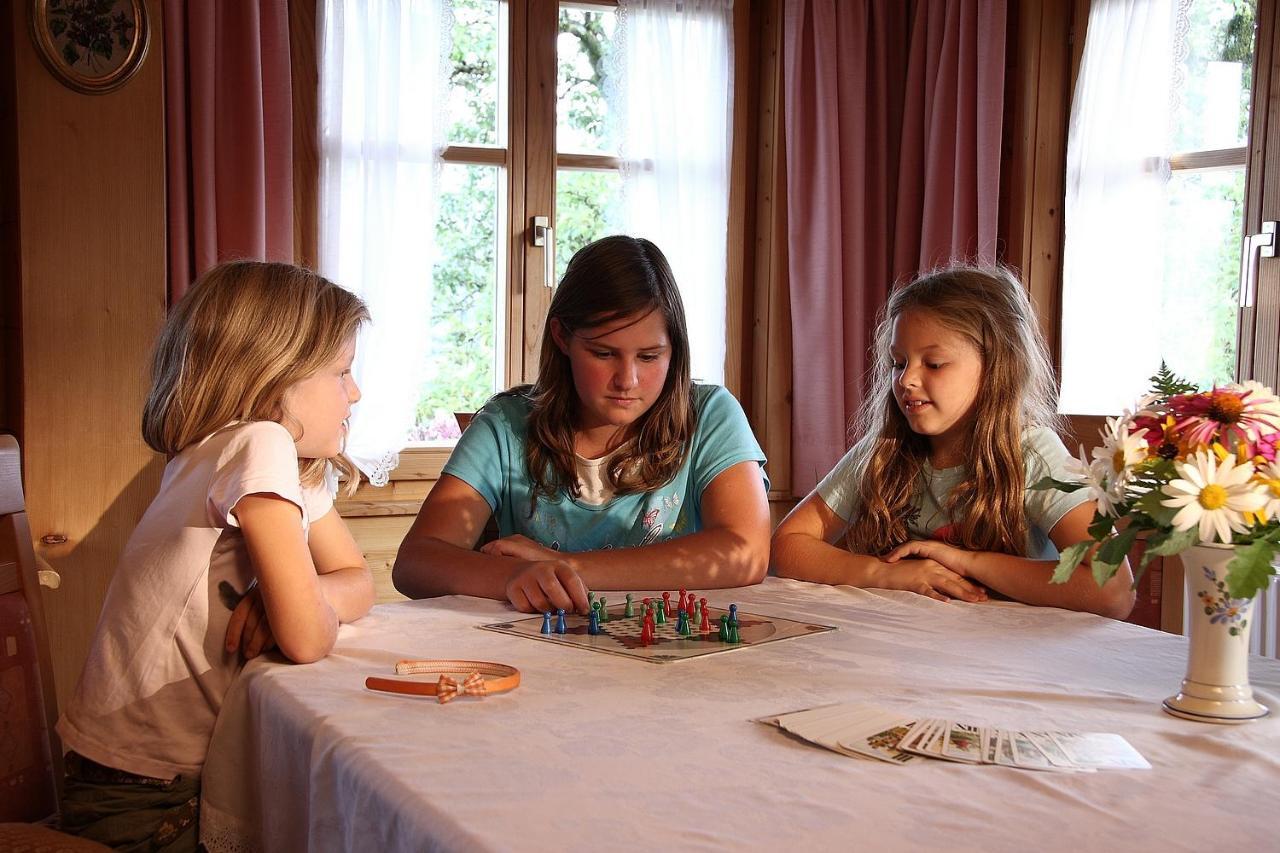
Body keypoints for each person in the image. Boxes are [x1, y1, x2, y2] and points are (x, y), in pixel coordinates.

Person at [56, 261, 375, 850]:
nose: (354, 391)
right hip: (143, 797)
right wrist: (297, 605)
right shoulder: (260, 442)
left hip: (119, 776)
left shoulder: (241, 453)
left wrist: (292, 594)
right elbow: (306, 638)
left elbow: (357, 578)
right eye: (342, 371)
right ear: (277, 375)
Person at [393, 235, 770, 613]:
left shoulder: (709, 416)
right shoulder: (505, 427)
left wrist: (568, 569)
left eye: (650, 356)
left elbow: (747, 552)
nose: (628, 380)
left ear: (675, 349)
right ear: (562, 337)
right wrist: (511, 577)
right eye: (603, 354)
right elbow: (415, 563)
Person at [771, 265, 1135, 619]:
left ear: (995, 367)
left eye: (934, 363)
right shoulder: (883, 450)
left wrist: (967, 562)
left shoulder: (1032, 452)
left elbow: (1113, 589)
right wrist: (885, 574)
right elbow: (788, 545)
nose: (906, 380)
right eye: (898, 363)